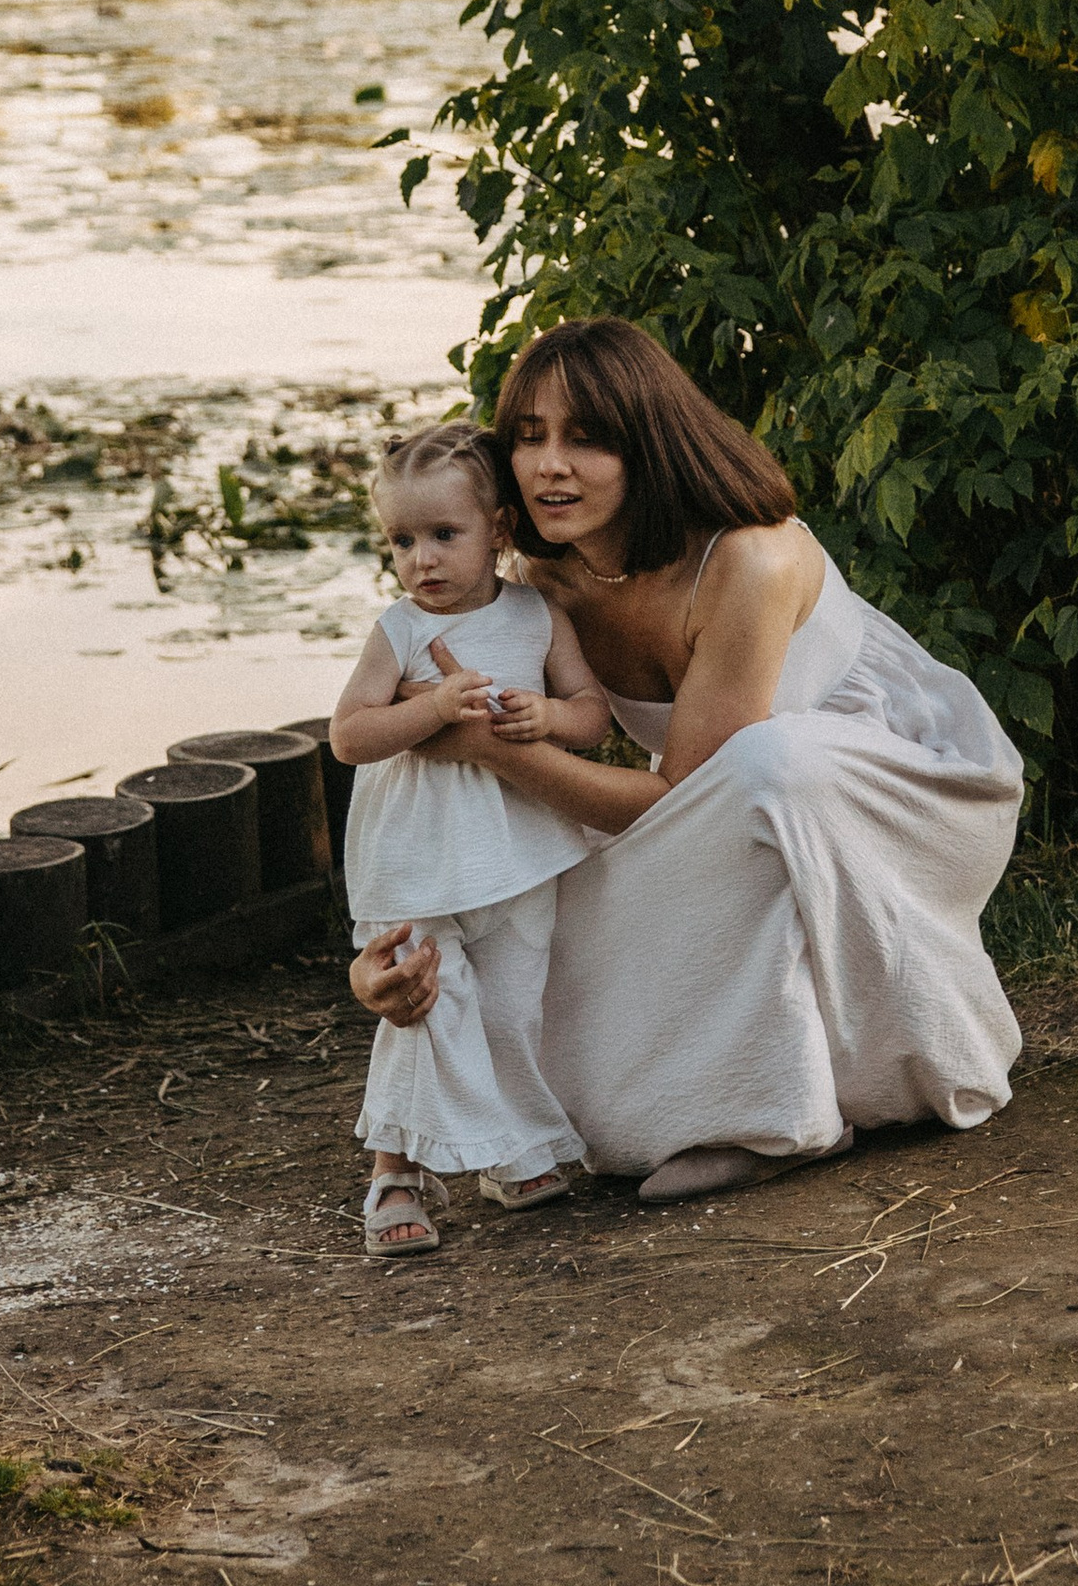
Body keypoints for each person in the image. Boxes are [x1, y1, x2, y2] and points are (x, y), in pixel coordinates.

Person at [350, 318, 1025, 1204]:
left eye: (587, 439)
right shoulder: (537, 583)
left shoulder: (749, 558)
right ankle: (719, 1094)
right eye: (530, 437)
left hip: (897, 783)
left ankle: (780, 1117)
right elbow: (401, 731)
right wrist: (383, 948)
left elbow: (688, 789)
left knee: (769, 767)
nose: (551, 464)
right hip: (716, 805)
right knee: (544, 1030)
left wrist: (486, 746)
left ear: (649, 444)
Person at [329, 417, 614, 1254]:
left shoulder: (536, 615)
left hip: (517, 847)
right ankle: (394, 1171)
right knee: (424, 999)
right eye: (402, 540)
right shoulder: (402, 630)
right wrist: (430, 709)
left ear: (496, 531)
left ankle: (511, 1149)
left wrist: (547, 715)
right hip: (415, 854)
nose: (422, 560)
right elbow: (349, 736)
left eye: (444, 535)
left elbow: (592, 717)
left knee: (512, 1005)